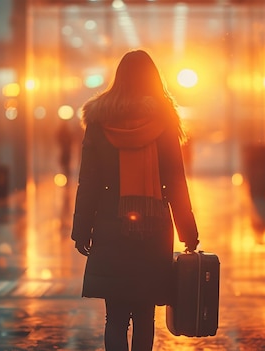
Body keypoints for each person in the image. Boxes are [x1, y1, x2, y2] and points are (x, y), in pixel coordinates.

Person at [71, 49, 199, 351]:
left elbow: (88, 182)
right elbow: (175, 180)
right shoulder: (164, 121)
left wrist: (81, 229)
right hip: (153, 229)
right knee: (144, 315)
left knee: (114, 318)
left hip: (109, 224)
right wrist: (188, 232)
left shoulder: (100, 121)